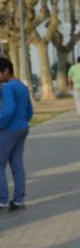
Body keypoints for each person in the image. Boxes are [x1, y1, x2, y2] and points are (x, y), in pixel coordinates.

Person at [0, 56, 33, 211]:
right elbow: (29, 110)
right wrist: (22, 121)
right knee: (17, 164)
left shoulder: (8, 88)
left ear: (6, 71)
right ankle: (18, 199)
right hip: (22, 128)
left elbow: (8, 110)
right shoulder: (22, 86)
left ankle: (2, 199)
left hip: (9, 130)